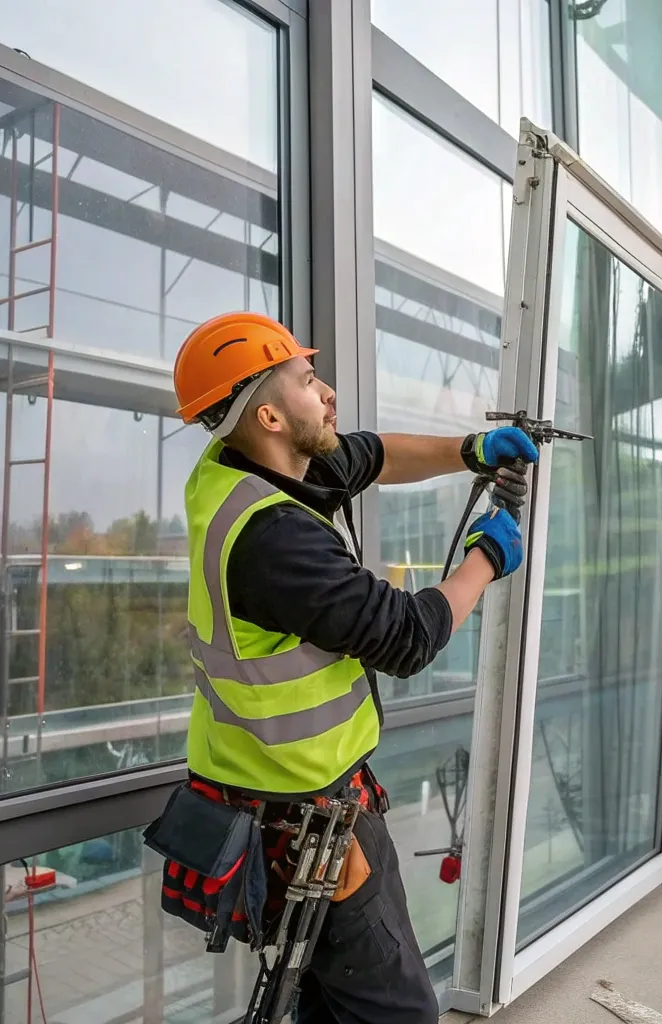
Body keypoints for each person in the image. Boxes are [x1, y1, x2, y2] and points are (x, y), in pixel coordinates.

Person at [161, 310, 538, 1023]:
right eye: (308, 381)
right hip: (303, 815)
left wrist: (471, 449)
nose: (328, 391)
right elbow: (406, 637)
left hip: (264, 785)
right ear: (270, 415)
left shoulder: (247, 467)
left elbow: (371, 455)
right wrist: (486, 559)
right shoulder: (274, 541)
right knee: (398, 1013)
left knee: (330, 1005)